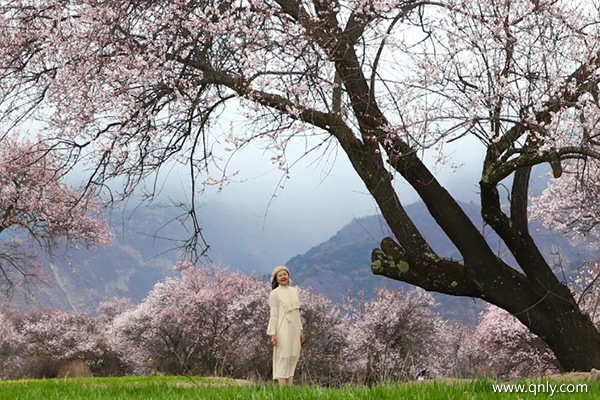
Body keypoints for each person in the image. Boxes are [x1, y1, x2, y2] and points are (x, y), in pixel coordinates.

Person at [267, 265, 305, 386]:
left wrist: (301, 330)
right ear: (276, 279)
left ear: (289, 276)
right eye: (280, 275)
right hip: (282, 328)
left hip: (294, 329)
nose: (283, 277)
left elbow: (296, 313)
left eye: (285, 274)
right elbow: (273, 315)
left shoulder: (294, 291)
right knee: (283, 356)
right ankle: (282, 391)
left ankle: (289, 389)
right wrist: (273, 334)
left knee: (293, 355)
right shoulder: (275, 293)